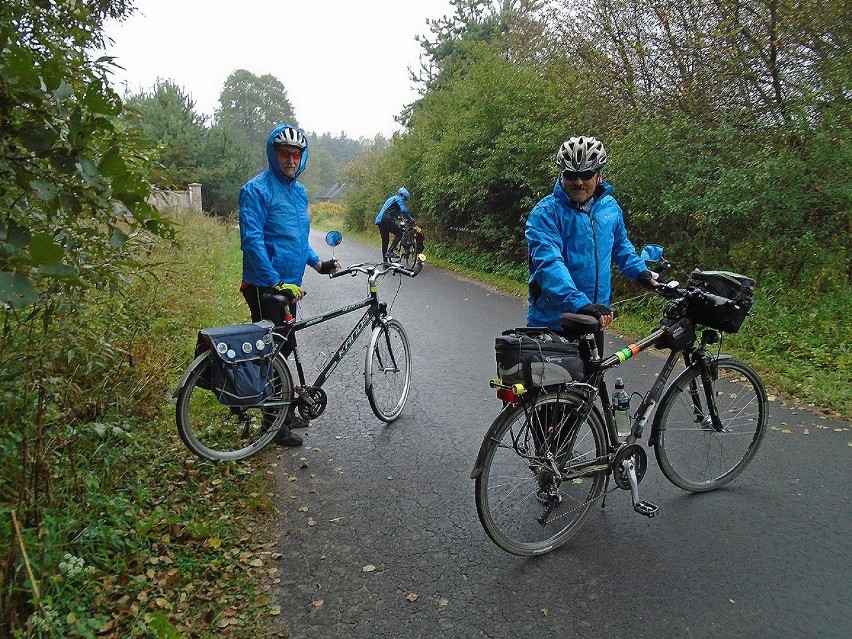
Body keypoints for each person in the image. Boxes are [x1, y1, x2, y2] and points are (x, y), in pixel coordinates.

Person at [239, 123, 340, 447]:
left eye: (296, 154)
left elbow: (297, 239)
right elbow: (251, 242)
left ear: (302, 157)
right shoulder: (255, 190)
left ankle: (282, 411)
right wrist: (275, 281)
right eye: (285, 153)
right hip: (264, 284)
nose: (291, 160)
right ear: (274, 154)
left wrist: (318, 263)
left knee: (283, 346)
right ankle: (273, 427)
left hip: (289, 286)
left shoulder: (299, 192)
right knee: (273, 352)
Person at [526, 135, 657, 356]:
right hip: (554, 322)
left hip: (593, 321)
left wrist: (641, 272)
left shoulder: (610, 208)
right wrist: (580, 303)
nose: (578, 182)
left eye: (586, 174)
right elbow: (549, 265)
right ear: (562, 174)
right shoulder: (546, 213)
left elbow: (620, 246)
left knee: (591, 387)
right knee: (550, 389)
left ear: (599, 175)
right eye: (571, 174)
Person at [375, 187, 414, 260]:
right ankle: (390, 251)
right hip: (387, 219)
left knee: (385, 241)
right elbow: (404, 210)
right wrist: (410, 219)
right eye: (405, 199)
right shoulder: (398, 198)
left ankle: (385, 262)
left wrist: (401, 222)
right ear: (402, 196)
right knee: (399, 234)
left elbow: (397, 215)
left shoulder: (391, 199)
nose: (404, 201)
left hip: (380, 220)